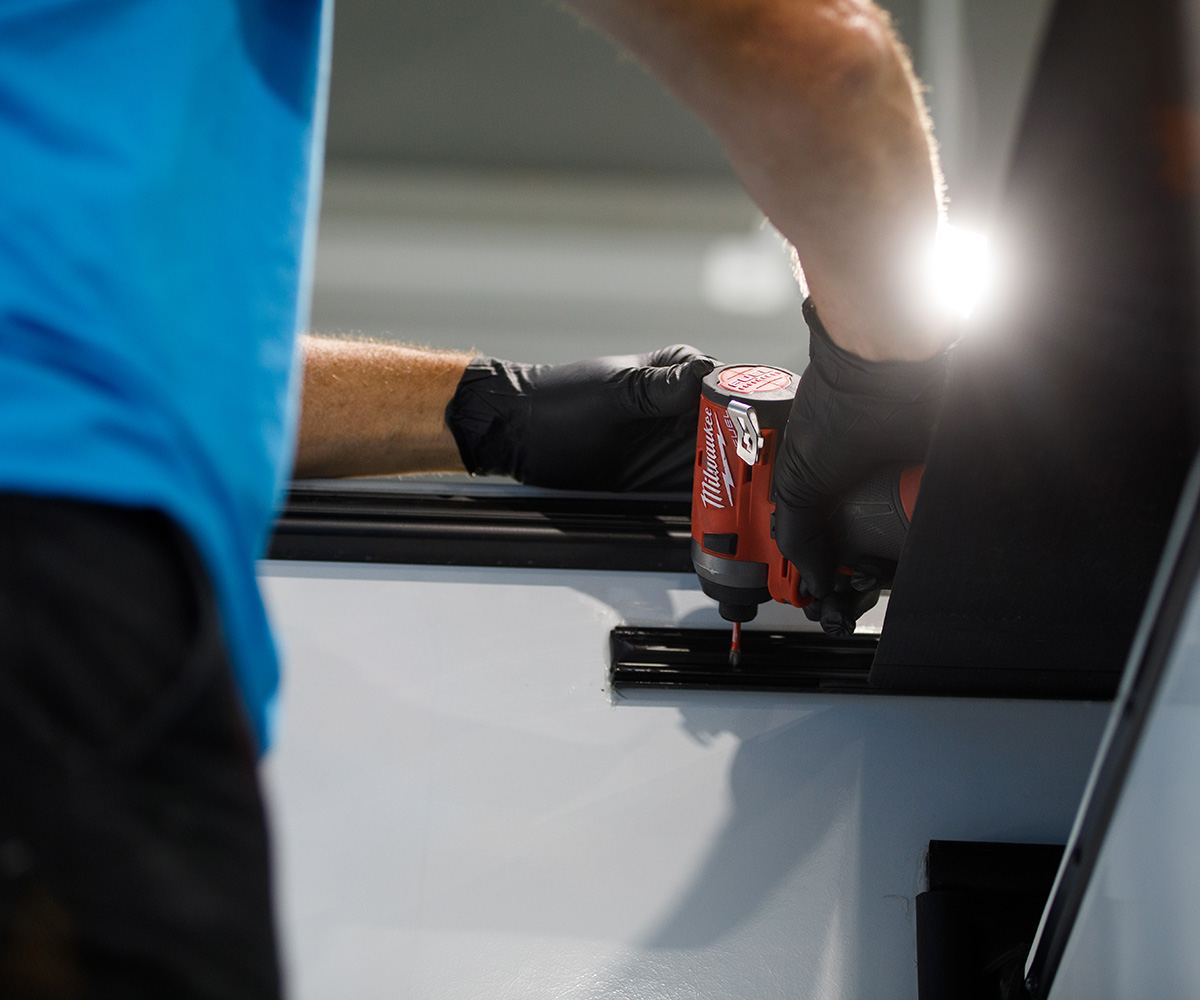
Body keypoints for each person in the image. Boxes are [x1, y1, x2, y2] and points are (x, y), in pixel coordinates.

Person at [0, 1, 952, 996]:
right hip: (48, 610)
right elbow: (819, 54)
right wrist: (888, 364)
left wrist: (495, 410)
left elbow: (139, 375)